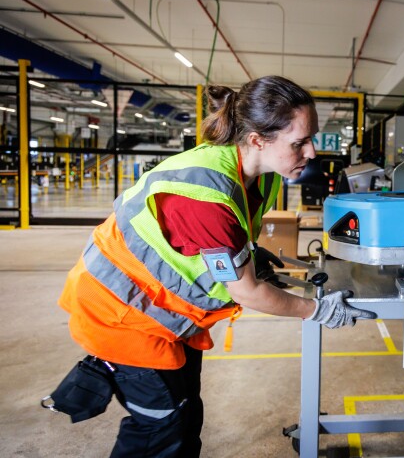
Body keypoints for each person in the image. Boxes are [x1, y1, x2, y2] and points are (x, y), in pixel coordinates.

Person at [58, 76, 376, 457]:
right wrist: (317, 310)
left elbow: (217, 246)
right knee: (160, 429)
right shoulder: (205, 194)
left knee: (186, 414)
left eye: (311, 139)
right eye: (299, 143)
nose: (311, 152)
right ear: (258, 140)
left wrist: (247, 254)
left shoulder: (262, 176)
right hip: (123, 313)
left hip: (168, 314)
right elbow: (247, 292)